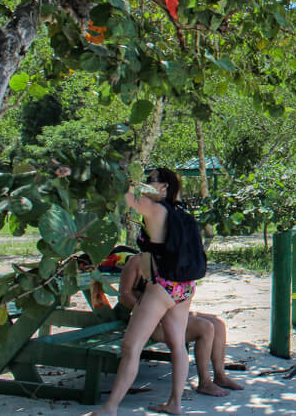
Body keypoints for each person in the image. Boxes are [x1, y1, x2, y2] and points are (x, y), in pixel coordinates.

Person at [92, 168, 200, 416]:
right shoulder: (182, 213)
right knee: (178, 346)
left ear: (164, 187)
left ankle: (110, 408)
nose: (146, 184)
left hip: (162, 286)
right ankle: (175, 403)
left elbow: (126, 197)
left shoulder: (156, 210)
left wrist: (129, 181)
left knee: (131, 346)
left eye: (151, 180)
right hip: (184, 287)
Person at [118, 253, 243, 395]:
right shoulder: (138, 261)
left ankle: (220, 376)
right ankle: (205, 382)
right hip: (149, 322)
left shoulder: (168, 259)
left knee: (218, 324)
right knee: (205, 328)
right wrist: (149, 312)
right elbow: (124, 296)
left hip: (171, 313)